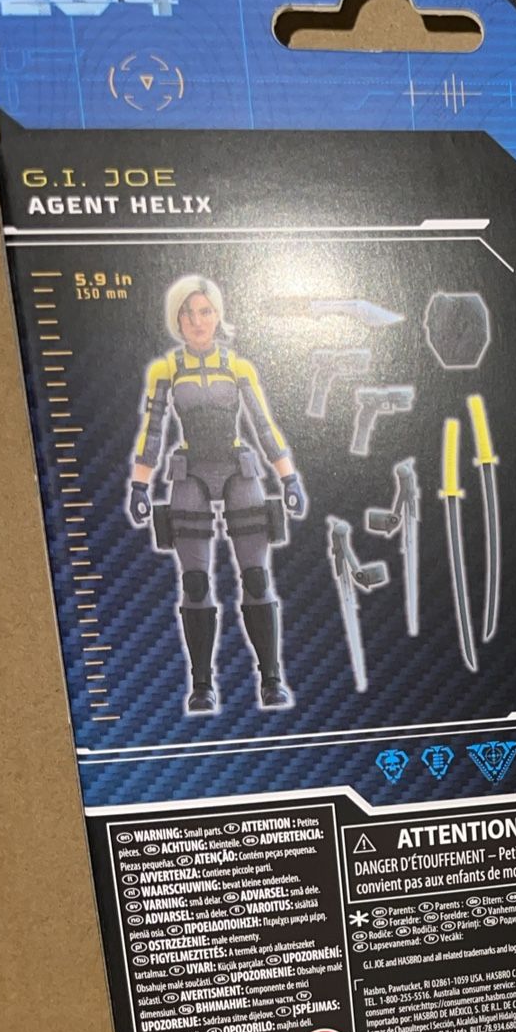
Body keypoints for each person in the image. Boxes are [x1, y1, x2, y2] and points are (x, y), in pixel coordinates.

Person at [125, 276, 307, 712]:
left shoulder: (238, 367)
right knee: (194, 582)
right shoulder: (165, 370)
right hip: (190, 473)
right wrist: (139, 483)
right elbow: (153, 431)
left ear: (217, 315)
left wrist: (288, 478)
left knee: (257, 576)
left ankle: (271, 679)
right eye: (188, 313)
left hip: (238, 469)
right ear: (177, 320)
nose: (197, 321)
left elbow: (263, 425)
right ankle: (202, 685)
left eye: (205, 311)